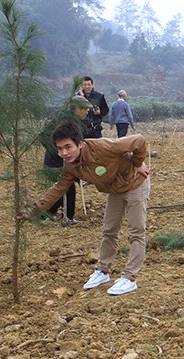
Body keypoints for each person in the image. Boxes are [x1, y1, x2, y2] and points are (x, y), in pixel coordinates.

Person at [22, 122, 151, 296]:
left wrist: (137, 163)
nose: (64, 153)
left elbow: (139, 140)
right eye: (59, 149)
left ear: (80, 144)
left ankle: (130, 278)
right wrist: (34, 211)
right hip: (115, 189)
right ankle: (103, 271)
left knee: (136, 231)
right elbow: (58, 188)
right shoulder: (70, 165)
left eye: (68, 147)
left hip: (135, 183)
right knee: (109, 230)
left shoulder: (103, 147)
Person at [40, 96, 92, 226]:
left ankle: (48, 213)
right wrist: (60, 152)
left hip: (63, 161)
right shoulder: (64, 122)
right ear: (76, 108)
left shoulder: (74, 121)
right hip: (55, 163)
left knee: (63, 188)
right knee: (67, 187)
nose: (87, 111)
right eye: (85, 109)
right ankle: (68, 217)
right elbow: (43, 137)